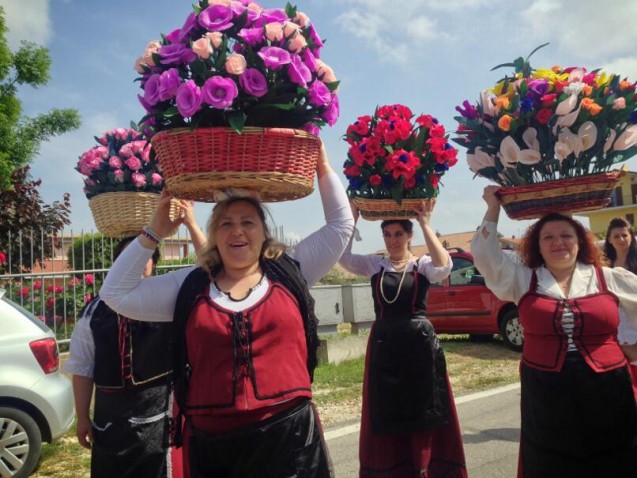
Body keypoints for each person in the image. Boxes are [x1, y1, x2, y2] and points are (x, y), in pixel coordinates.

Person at [98, 144, 354, 478]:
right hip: (215, 447)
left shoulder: (292, 270)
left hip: (289, 442)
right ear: (215, 236)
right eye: (226, 224)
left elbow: (340, 225)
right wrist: (154, 230)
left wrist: (321, 165)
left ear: (264, 233)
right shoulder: (188, 286)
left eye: (248, 222)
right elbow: (115, 293)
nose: (237, 231)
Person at [471, 186, 637, 478]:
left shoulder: (607, 278)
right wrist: (493, 208)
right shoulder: (523, 280)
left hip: (608, 388)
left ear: (580, 242)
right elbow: (486, 258)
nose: (557, 242)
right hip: (545, 392)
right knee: (552, 464)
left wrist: (633, 351)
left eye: (566, 236)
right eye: (548, 237)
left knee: (614, 459)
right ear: (537, 245)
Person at [65, 201, 205, 478]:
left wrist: (190, 224)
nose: (138, 264)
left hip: (160, 412)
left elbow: (211, 268)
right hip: (110, 420)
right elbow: (82, 367)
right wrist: (82, 415)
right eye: (127, 257)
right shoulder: (94, 311)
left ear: (153, 262)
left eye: (144, 257)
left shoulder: (170, 298)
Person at [338, 199, 467, 478]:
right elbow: (343, 257)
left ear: (409, 236)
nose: (393, 240)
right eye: (387, 234)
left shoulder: (421, 265)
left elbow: (444, 265)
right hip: (385, 345)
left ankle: (425, 467)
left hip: (419, 345)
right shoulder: (376, 265)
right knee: (385, 408)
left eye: (398, 234)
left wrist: (425, 223)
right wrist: (353, 218)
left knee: (423, 406)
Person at [603, 217, 637, 398]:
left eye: (625, 235)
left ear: (631, 237)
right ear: (609, 239)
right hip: (615, 326)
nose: (621, 239)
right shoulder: (604, 266)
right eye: (616, 236)